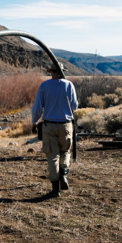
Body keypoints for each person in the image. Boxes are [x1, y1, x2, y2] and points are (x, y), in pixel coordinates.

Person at [32, 63, 78, 197]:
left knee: (52, 156)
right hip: (66, 125)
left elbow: (37, 108)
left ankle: (55, 189)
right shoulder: (69, 85)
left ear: (51, 72)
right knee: (65, 151)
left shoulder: (44, 86)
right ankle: (64, 173)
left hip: (49, 125)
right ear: (62, 72)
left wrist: (34, 121)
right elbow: (74, 106)